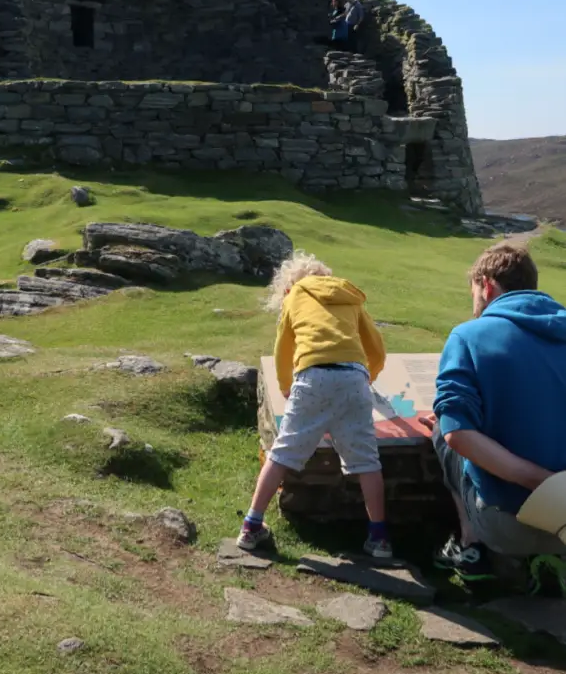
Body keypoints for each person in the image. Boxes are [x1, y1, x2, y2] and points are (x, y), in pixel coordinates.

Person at [236, 251, 392, 558]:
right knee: (367, 461)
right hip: (353, 377)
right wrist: (367, 377)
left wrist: (285, 387)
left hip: (312, 376)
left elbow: (283, 349)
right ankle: (380, 539)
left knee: (281, 454)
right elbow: (376, 347)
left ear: (289, 285)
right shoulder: (349, 297)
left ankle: (252, 526)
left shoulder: (295, 298)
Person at [426, 242, 566, 582]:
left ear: (487, 285)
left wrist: (545, 484)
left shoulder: (468, 335)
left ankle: (469, 544)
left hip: (510, 524)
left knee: (442, 432)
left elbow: (458, 434)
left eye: (473, 291)